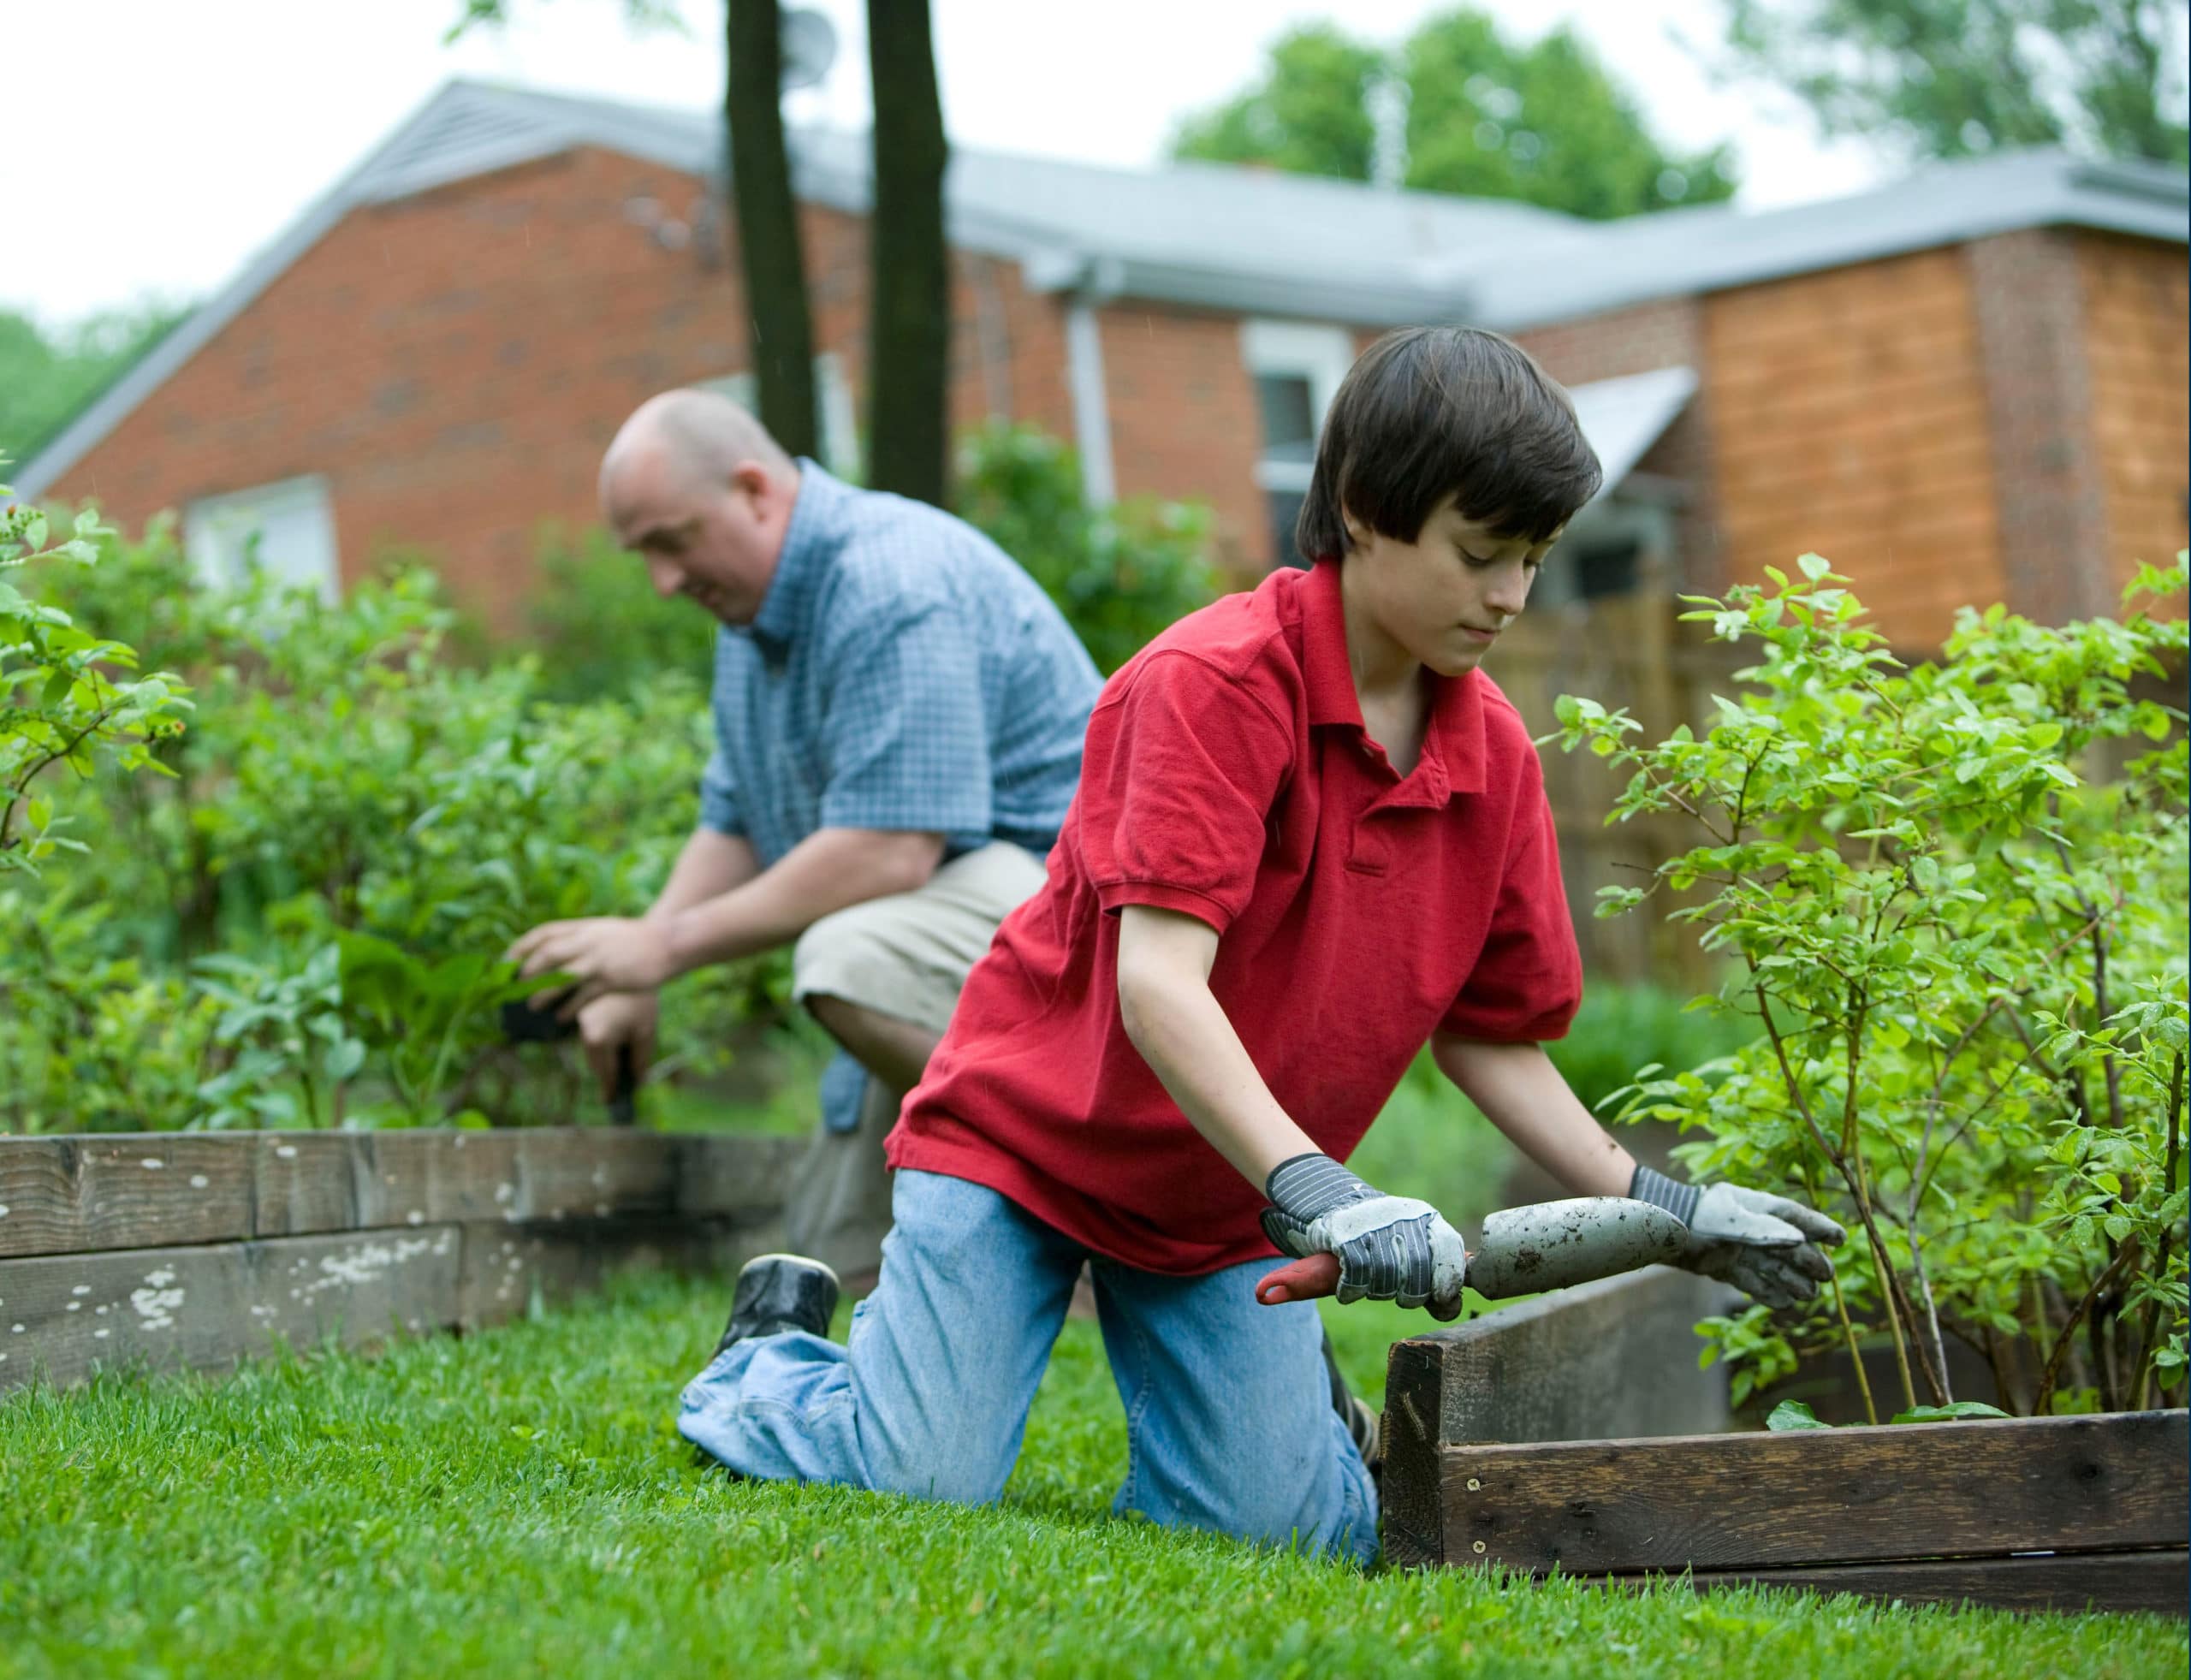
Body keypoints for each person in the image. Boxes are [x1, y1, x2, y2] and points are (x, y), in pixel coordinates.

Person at [674, 329, 1843, 1563]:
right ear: (1362, 511)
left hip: (1227, 1197)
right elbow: (1159, 983)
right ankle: (772, 1357)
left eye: (1534, 560)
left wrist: (1672, 1207)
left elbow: (1492, 1040)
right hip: (1025, 1148)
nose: (1511, 595)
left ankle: (1293, 1428)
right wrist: (1327, 1190)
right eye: (1481, 552)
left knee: (1283, 1533)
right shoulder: (1210, 685)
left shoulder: (1492, 755)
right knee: (917, 1474)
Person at [509, 389, 1104, 1283]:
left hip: (1084, 939)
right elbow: (737, 816)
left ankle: (1098, 1200)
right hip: (953, 944)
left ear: (754, 490)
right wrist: (632, 967)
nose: (663, 582)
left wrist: (665, 947)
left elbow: (889, 849)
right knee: (825, 1263)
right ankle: (1016, 1226)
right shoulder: (751, 623)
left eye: (671, 542)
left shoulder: (888, 581)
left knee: (849, 958)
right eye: (644, 557)